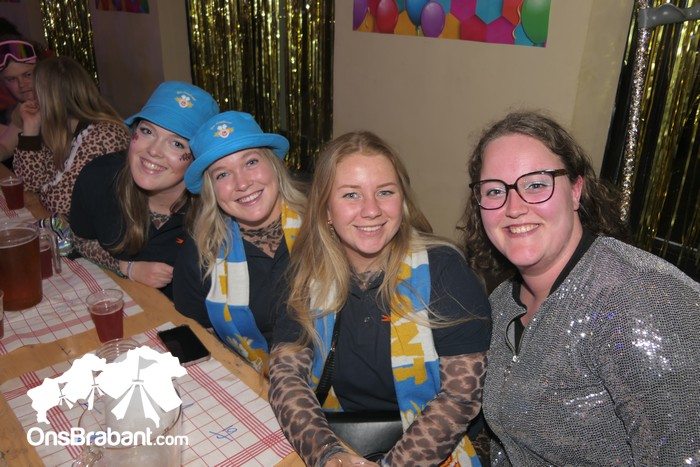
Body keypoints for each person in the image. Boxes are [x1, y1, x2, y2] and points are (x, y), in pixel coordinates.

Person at [460, 110, 700, 466]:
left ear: (576, 191)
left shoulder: (640, 296)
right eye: (495, 190)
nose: (514, 207)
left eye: (536, 184)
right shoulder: (502, 302)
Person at [268, 131, 492, 467]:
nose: (371, 210)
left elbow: (461, 397)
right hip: (339, 435)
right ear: (326, 208)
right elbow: (286, 377)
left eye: (385, 192)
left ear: (402, 200)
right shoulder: (306, 273)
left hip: (432, 449)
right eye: (351, 194)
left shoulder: (445, 271)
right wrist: (328, 454)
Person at [173, 110, 306, 373]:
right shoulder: (199, 255)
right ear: (211, 190)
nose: (242, 183)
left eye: (251, 162)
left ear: (274, 165)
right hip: (250, 380)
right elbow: (197, 338)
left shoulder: (324, 227)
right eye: (222, 174)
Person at [70, 81, 219, 299]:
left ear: (197, 160)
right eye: (147, 131)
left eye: (177, 143)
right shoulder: (99, 177)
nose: (153, 150)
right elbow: (80, 240)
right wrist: (126, 267)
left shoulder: (217, 212)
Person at [12, 56, 130, 218]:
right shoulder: (60, 131)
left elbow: (59, 202)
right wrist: (30, 128)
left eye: (36, 92)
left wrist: (46, 188)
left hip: (111, 228)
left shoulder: (103, 134)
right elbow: (29, 184)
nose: (33, 98)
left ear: (48, 98)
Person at [0, 36, 47, 165]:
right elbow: (5, 147)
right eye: (11, 79)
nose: (21, 84)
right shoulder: (25, 107)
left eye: (28, 74)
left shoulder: (62, 100)